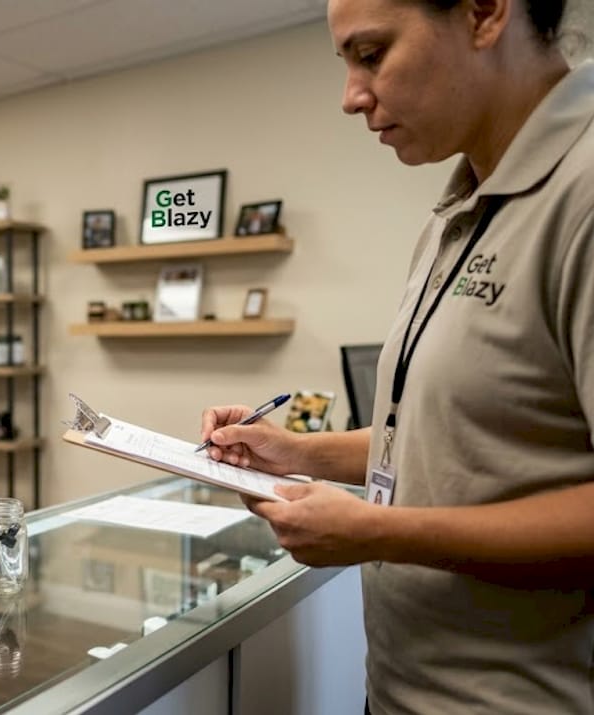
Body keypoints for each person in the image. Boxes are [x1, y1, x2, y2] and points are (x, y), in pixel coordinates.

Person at [200, 1, 593, 713]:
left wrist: (380, 530)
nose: (352, 96)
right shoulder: (461, 210)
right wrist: (296, 452)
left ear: (482, 13)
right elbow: (447, 434)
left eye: (372, 54)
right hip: (403, 689)